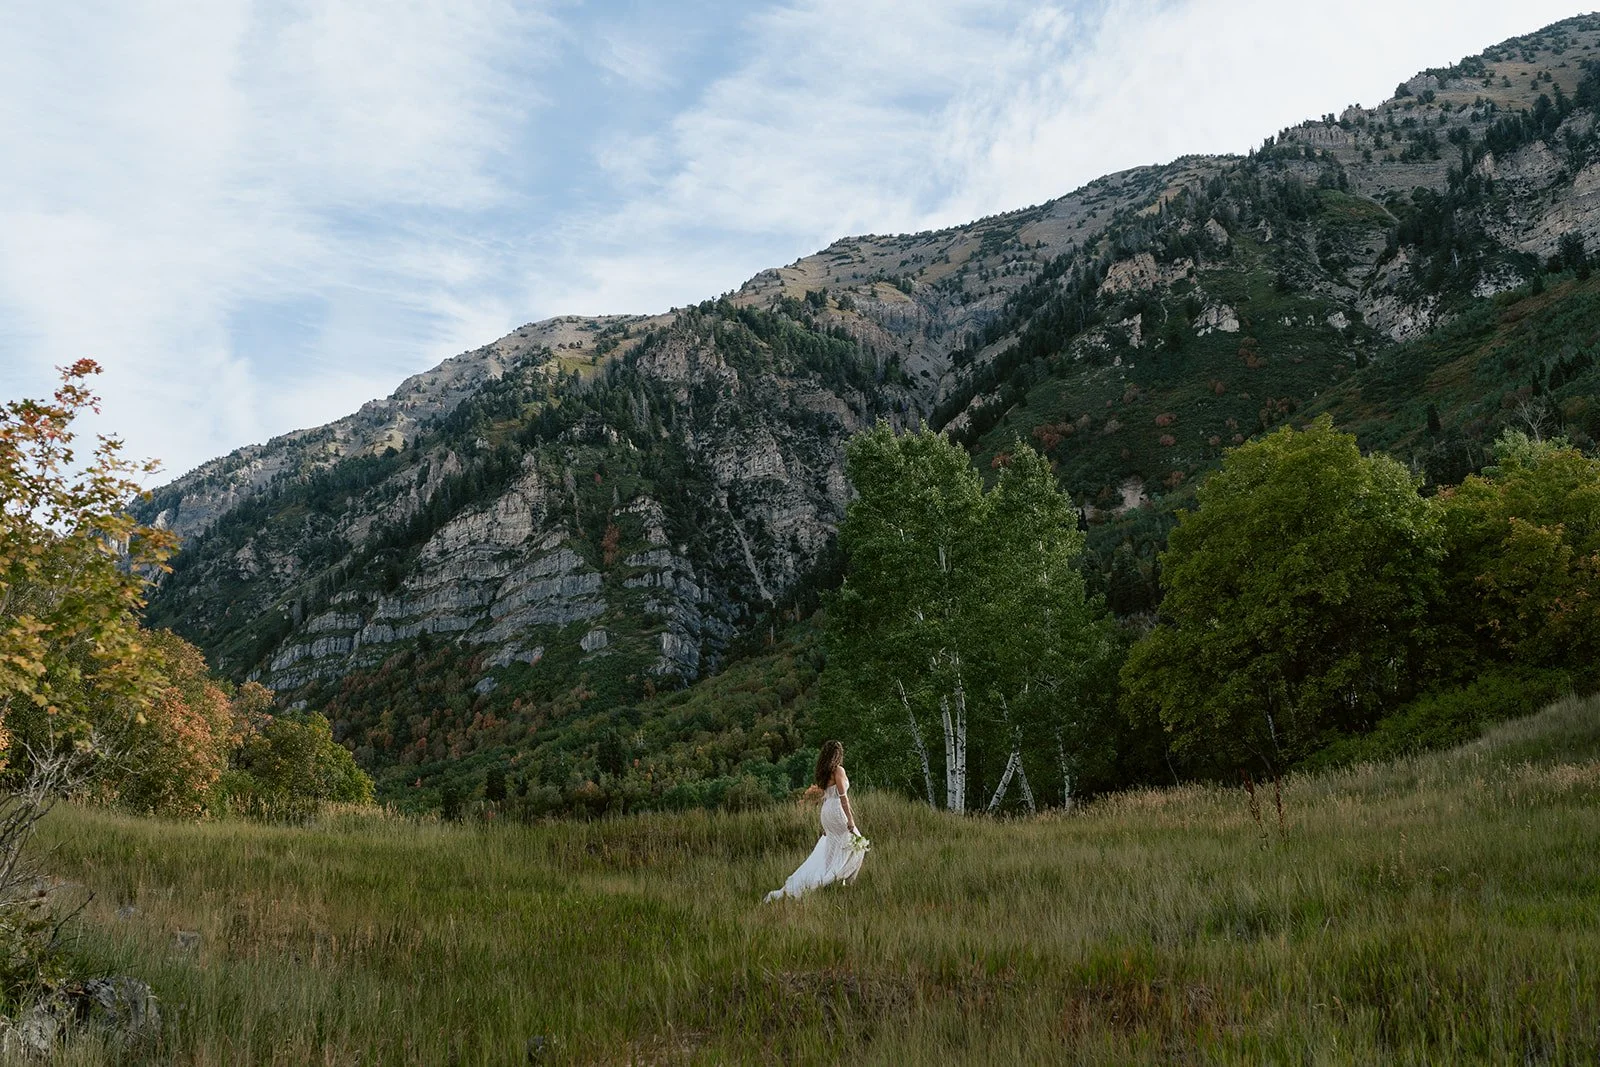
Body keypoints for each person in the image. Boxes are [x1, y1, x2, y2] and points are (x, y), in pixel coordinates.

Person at [764, 740, 865, 902]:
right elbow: (843, 798)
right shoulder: (838, 770)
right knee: (856, 845)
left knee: (834, 846)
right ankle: (839, 881)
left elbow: (826, 796)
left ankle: (835, 880)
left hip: (827, 811)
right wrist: (850, 820)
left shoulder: (824, 772)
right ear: (838, 754)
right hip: (837, 809)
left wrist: (826, 823)